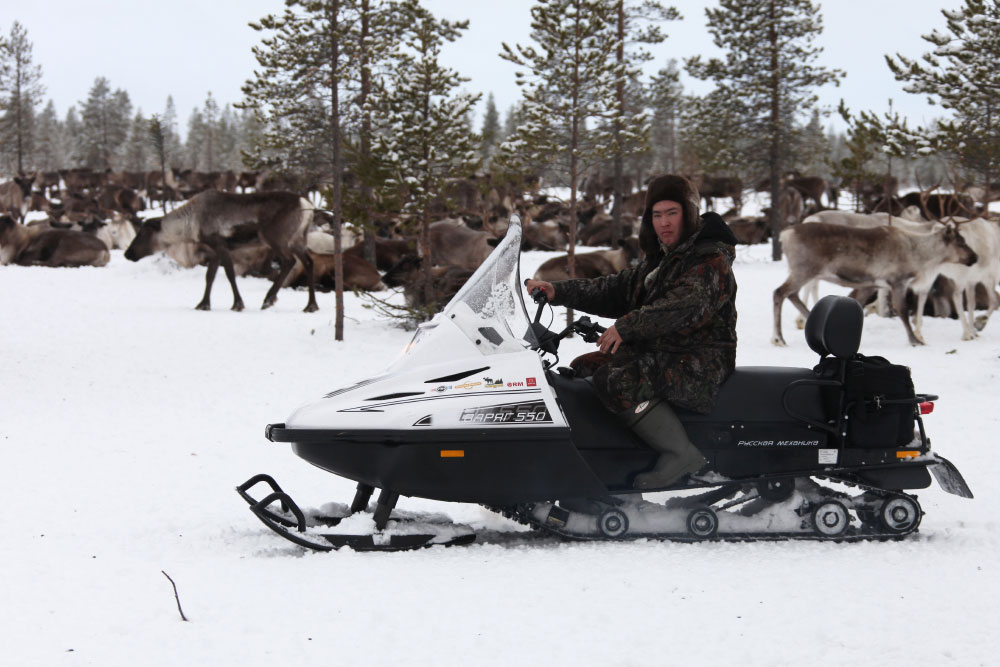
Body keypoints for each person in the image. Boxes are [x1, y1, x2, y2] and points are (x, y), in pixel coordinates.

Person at [525, 174, 738, 489]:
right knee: (587, 367)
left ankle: (680, 454)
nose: (664, 223)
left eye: (672, 213)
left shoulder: (709, 259)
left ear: (689, 214)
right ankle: (612, 460)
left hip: (700, 359)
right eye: (657, 215)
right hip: (668, 352)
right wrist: (558, 290)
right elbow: (617, 289)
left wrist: (627, 326)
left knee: (619, 378)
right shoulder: (665, 259)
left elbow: (684, 306)